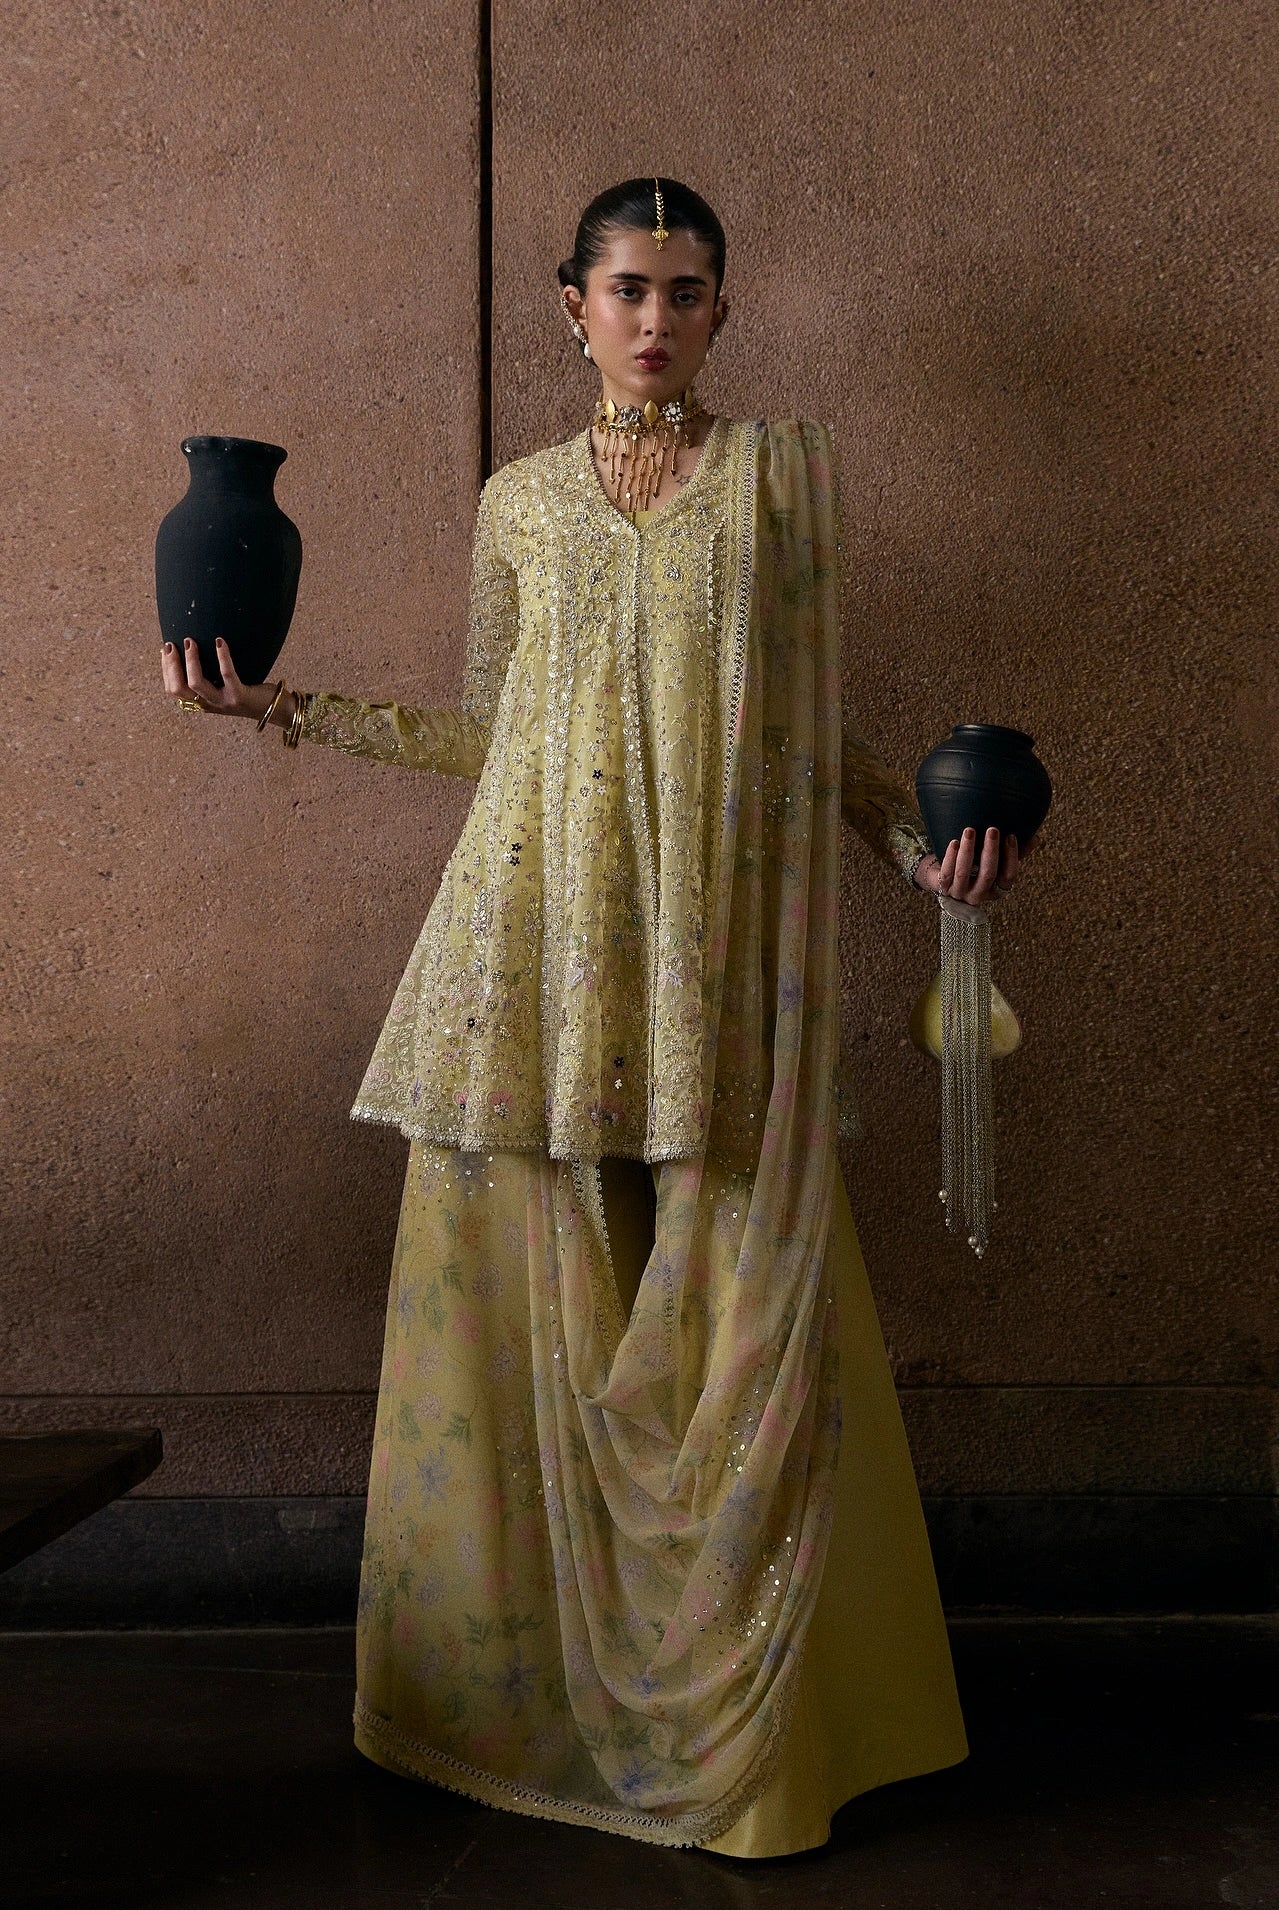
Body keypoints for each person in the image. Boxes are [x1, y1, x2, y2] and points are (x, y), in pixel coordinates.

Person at [160, 177, 1034, 1856]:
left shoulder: (777, 488)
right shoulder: (518, 504)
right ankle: (516, 1708)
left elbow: (811, 731)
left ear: (722, 310)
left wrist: (921, 851)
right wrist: (287, 709)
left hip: (716, 963)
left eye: (687, 291)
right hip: (536, 958)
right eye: (628, 288)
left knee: (730, 1324)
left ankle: (763, 1739)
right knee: (523, 1329)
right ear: (573, 305)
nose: (656, 318)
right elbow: (494, 733)